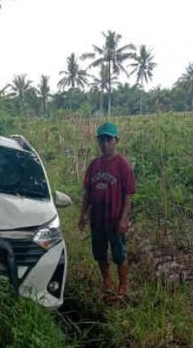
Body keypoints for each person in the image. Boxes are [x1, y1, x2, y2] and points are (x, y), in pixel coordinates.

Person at [77, 122, 136, 297]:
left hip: (115, 219)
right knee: (99, 253)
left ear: (116, 140)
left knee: (119, 254)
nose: (104, 143)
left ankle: (123, 286)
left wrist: (124, 219)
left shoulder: (123, 165)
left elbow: (128, 196)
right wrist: (82, 215)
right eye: (101, 140)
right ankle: (107, 281)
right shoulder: (94, 165)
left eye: (108, 139)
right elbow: (88, 193)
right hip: (97, 219)